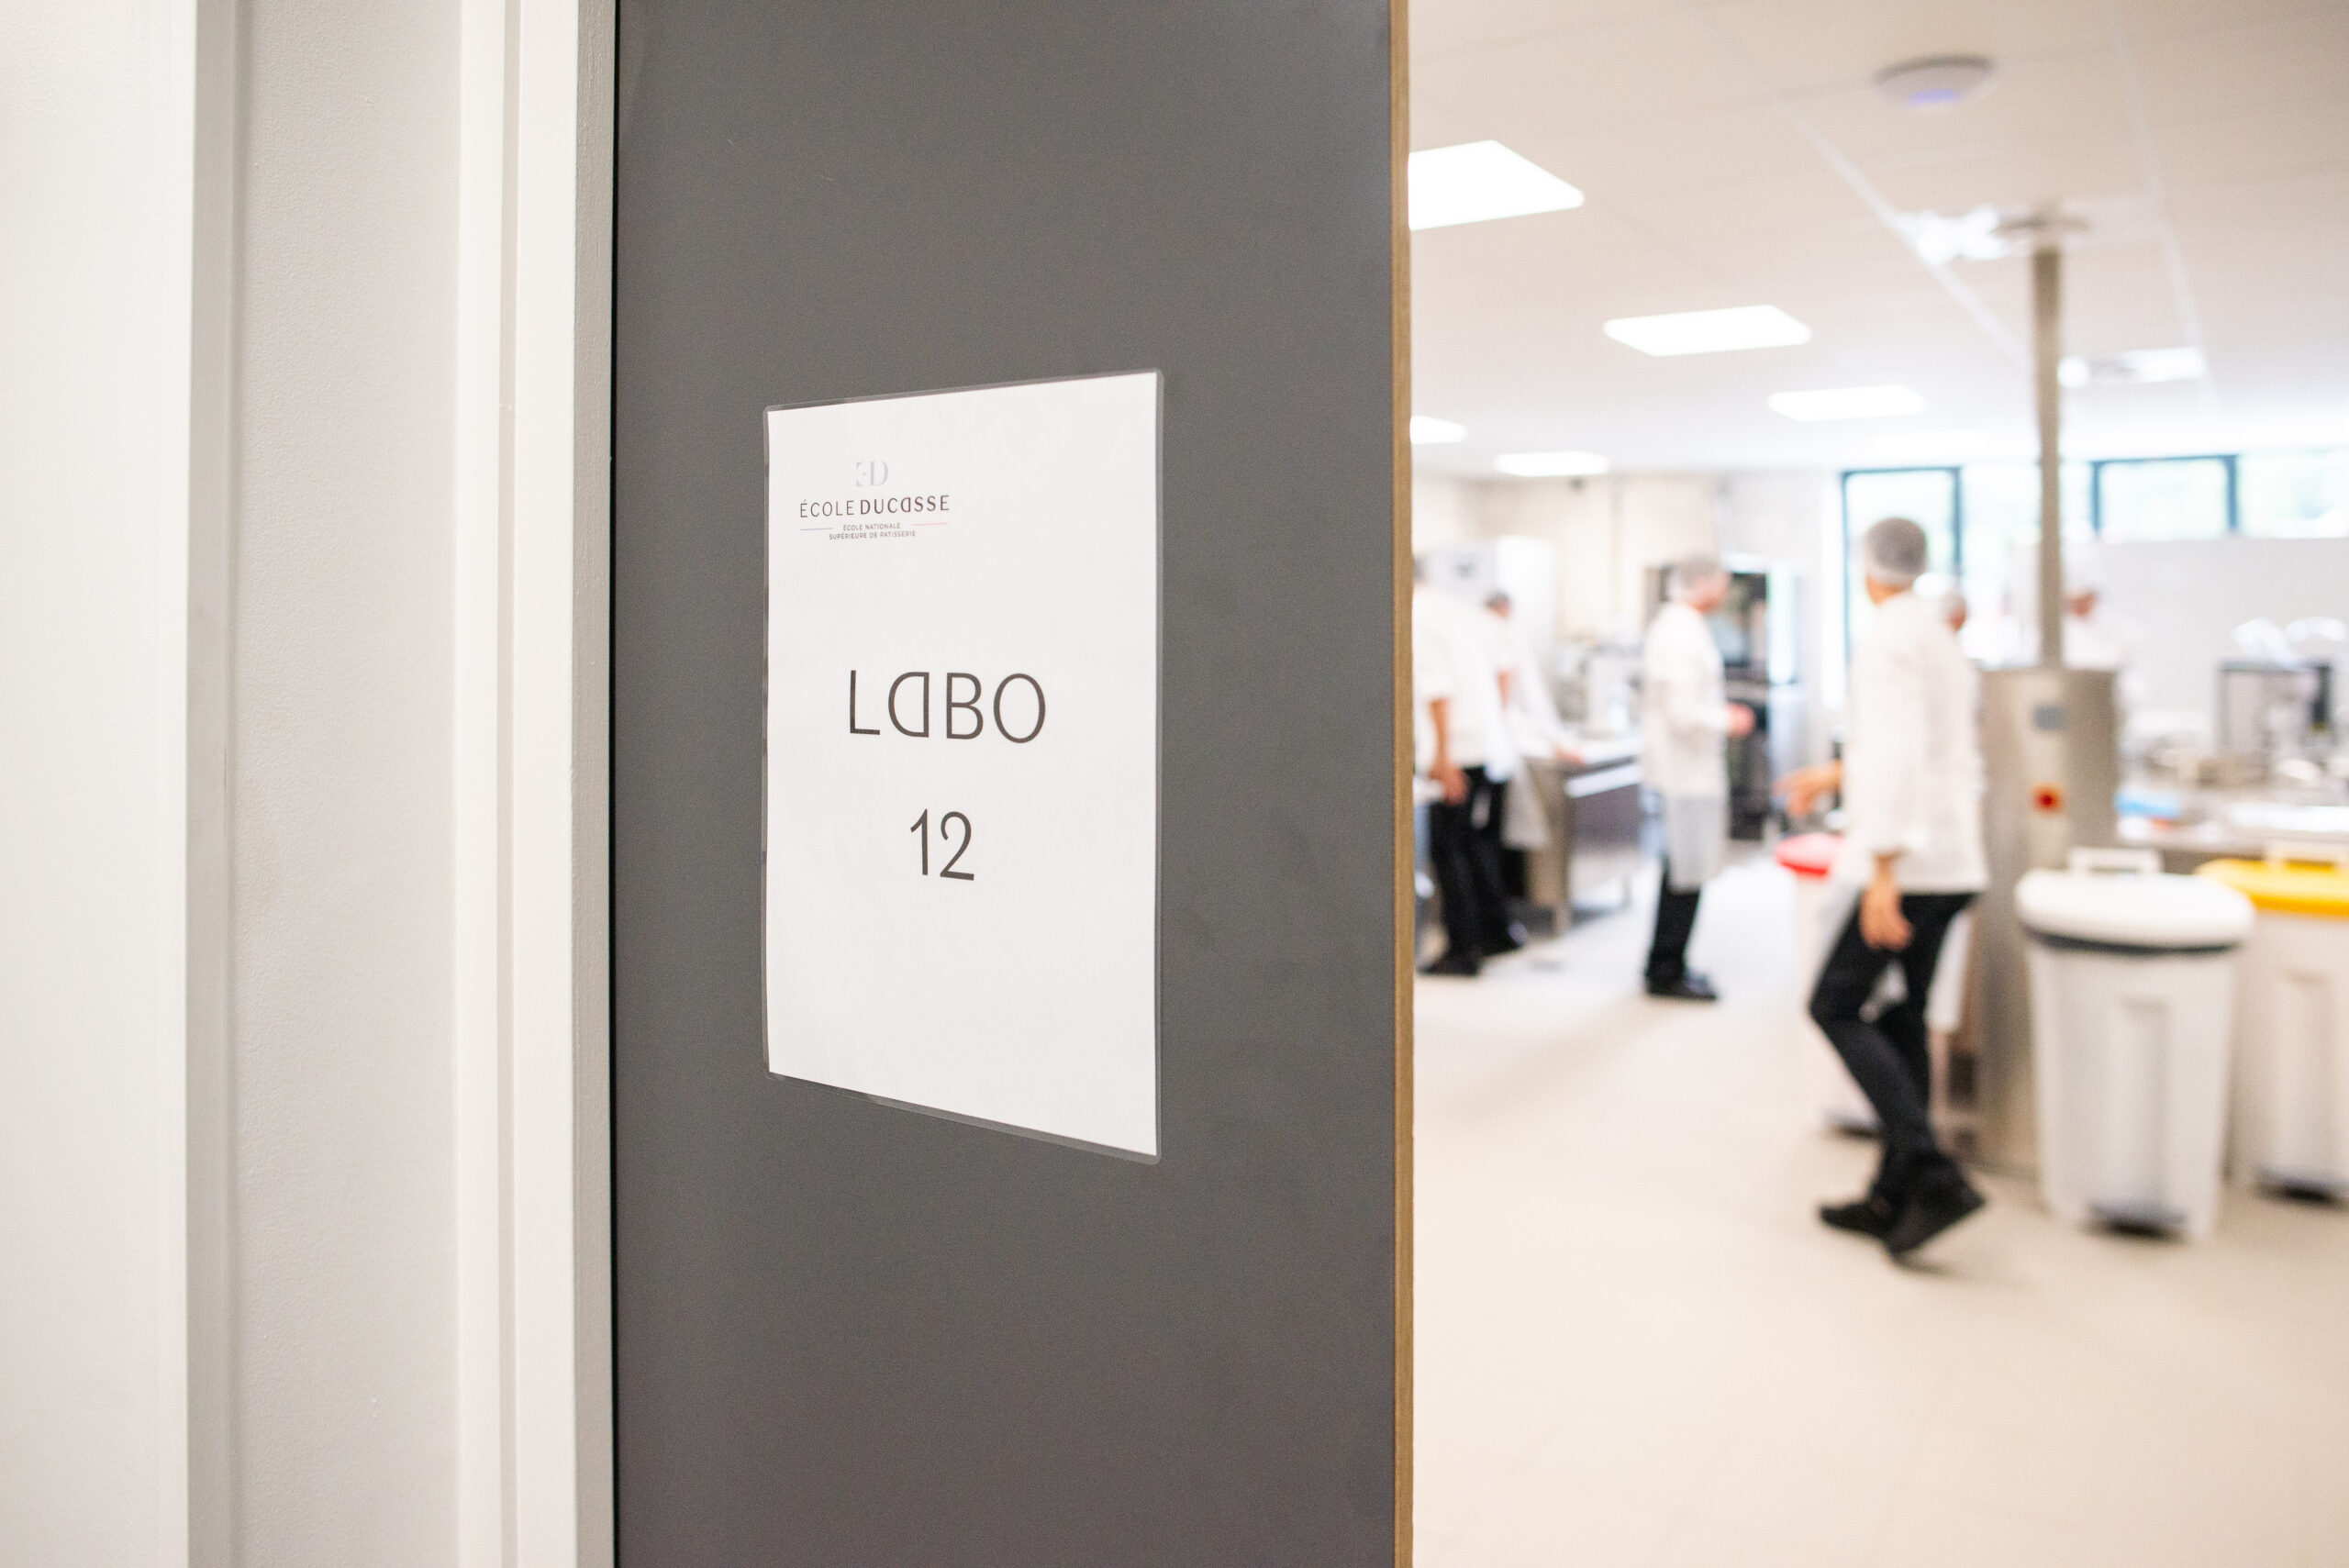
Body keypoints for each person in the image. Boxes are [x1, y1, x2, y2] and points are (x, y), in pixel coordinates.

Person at [1783, 517, 1987, 1262]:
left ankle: (1929, 1169)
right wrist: (1837, 773)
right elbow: (1915, 747)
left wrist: (1885, 871)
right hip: (1951, 861)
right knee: (1903, 1021)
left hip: (1914, 867)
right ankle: (1891, 1195)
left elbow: (1900, 752)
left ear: (1867, 568)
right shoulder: (1934, 632)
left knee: (1833, 1003)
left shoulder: (1885, 639)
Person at [1638, 557, 1753, 1001]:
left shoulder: (1686, 627)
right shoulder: (1677, 632)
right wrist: (1727, 719)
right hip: (1681, 774)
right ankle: (1665, 969)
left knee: (1687, 871)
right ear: (1704, 585)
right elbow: (1682, 713)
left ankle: (1671, 963)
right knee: (1683, 874)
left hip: (1690, 772)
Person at [1413, 564, 1520, 976]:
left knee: (1450, 848)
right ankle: (1497, 931)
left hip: (1454, 751)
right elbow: (1506, 668)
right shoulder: (1467, 613)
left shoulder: (1417, 619)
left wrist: (1443, 755)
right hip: (1489, 746)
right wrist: (1495, 717)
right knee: (1480, 844)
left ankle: (1463, 948)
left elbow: (1437, 689)